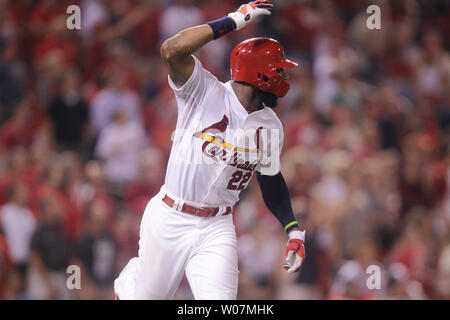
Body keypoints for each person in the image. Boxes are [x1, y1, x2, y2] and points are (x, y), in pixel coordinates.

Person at [114, 0, 306, 300]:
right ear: (259, 74)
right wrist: (232, 21)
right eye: (278, 70)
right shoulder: (204, 91)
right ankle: (130, 282)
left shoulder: (271, 125)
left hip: (217, 226)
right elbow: (171, 50)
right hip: (171, 217)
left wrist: (293, 229)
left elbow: (270, 179)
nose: (285, 77)